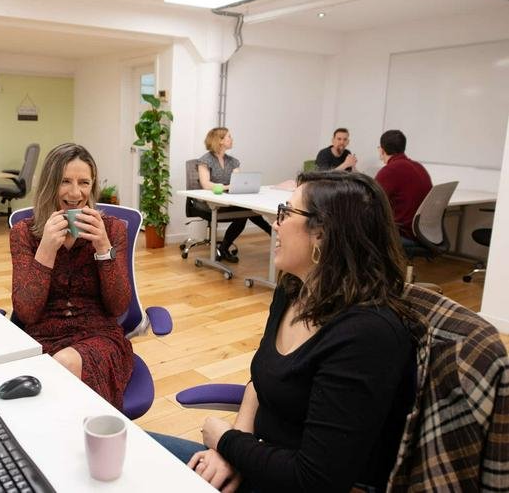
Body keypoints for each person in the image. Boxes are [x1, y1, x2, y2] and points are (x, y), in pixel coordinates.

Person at [150, 171, 418, 492]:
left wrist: (227, 441)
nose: (276, 224)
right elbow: (260, 378)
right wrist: (235, 446)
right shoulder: (293, 288)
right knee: (123, 450)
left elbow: (314, 480)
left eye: (286, 212)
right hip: (256, 462)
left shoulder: (367, 335)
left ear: (323, 232)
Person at [9, 143, 133, 409]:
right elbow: (27, 313)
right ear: (49, 184)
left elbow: (119, 307)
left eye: (84, 182)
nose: (76, 193)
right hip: (41, 339)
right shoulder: (24, 233)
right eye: (65, 181)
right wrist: (46, 250)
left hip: (98, 337)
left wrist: (102, 247)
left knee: (63, 367)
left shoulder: (111, 229)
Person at [197, 128, 272, 263]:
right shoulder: (205, 160)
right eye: (229, 137)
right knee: (246, 213)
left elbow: (237, 181)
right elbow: (206, 184)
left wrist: (239, 187)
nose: (232, 139)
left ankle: (223, 248)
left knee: (245, 213)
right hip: (208, 202)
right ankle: (271, 232)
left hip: (229, 199)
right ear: (219, 141)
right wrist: (226, 187)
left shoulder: (233, 161)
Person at [375, 129, 432, 244]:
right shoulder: (418, 167)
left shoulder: (390, 170)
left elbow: (370, 200)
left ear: (381, 149)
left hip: (404, 233)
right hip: (424, 233)